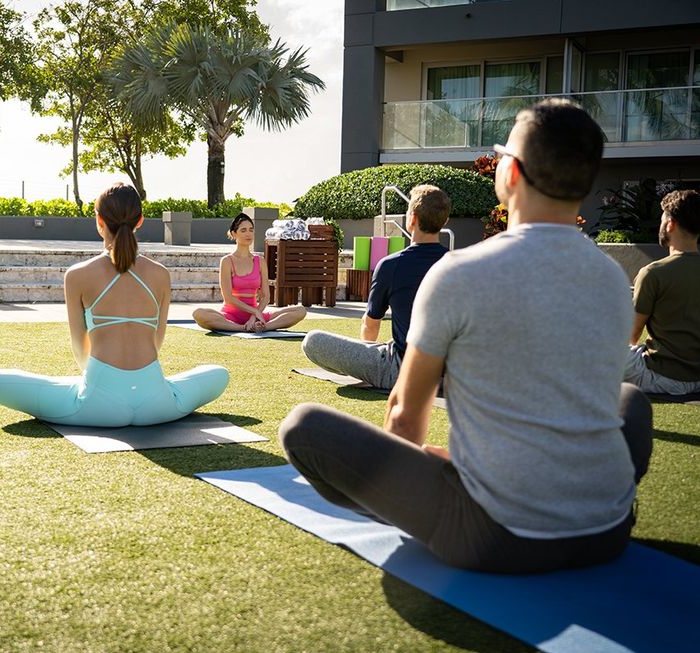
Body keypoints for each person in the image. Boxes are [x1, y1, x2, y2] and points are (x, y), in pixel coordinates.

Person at [279, 99, 653, 574]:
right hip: (607, 530)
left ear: (512, 174)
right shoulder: (613, 279)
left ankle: (446, 511)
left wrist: (432, 474)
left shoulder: (460, 272)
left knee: (303, 426)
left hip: (494, 538)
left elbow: (405, 417)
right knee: (630, 401)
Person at [0, 182, 229, 427]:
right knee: (219, 374)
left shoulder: (78, 274)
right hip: (156, 404)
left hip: (97, 406)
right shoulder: (160, 274)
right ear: (140, 220)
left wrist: (99, 384)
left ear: (99, 220)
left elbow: (80, 348)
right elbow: (157, 342)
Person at [301, 185, 450, 389]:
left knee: (313, 340)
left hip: (404, 372)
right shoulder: (462, 264)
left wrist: (368, 355)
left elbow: (371, 325)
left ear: (412, 219)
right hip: (453, 374)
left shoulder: (391, 265)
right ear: (445, 221)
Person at [624, 189, 700, 395]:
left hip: (663, 378)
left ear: (670, 224)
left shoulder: (653, 273)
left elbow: (632, 334)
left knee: (599, 350)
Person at [192, 214, 307, 333]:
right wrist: (255, 311)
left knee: (300, 310)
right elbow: (228, 298)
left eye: (251, 230)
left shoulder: (260, 261)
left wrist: (255, 315)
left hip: (256, 316)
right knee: (199, 314)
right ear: (234, 234)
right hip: (230, 316)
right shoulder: (227, 261)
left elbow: (266, 296)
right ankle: (242, 328)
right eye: (243, 230)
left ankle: (263, 327)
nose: (248, 234)